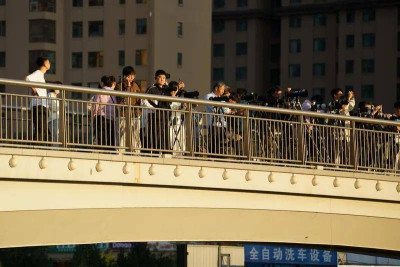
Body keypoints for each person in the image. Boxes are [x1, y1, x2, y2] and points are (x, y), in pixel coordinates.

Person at [142, 69, 170, 152]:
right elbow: (144, 100)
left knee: (164, 135)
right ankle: (154, 152)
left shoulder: (166, 90)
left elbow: (171, 101)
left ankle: (165, 151)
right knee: (154, 135)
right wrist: (153, 109)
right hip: (154, 116)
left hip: (164, 117)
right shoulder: (152, 88)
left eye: (164, 78)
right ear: (155, 78)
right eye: (160, 77)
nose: (162, 79)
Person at [25, 57, 51, 142]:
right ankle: (35, 147)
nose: (49, 64)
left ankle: (39, 146)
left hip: (41, 105)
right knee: (40, 128)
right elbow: (27, 79)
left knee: (43, 129)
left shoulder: (41, 75)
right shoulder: (38, 73)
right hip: (38, 105)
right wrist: (34, 89)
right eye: (48, 62)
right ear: (44, 64)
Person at [116, 66, 142, 152]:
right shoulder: (119, 86)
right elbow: (122, 99)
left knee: (135, 135)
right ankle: (121, 152)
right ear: (124, 76)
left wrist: (139, 112)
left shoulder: (136, 85)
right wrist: (128, 86)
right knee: (122, 135)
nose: (131, 78)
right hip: (123, 114)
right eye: (129, 76)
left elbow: (139, 100)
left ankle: (136, 152)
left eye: (133, 76)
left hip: (134, 114)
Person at [92, 76, 117, 148]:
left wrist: (93, 116)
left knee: (101, 137)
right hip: (111, 119)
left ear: (102, 83)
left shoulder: (100, 92)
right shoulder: (113, 93)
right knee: (110, 138)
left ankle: (102, 151)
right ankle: (110, 152)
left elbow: (96, 105)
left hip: (101, 117)